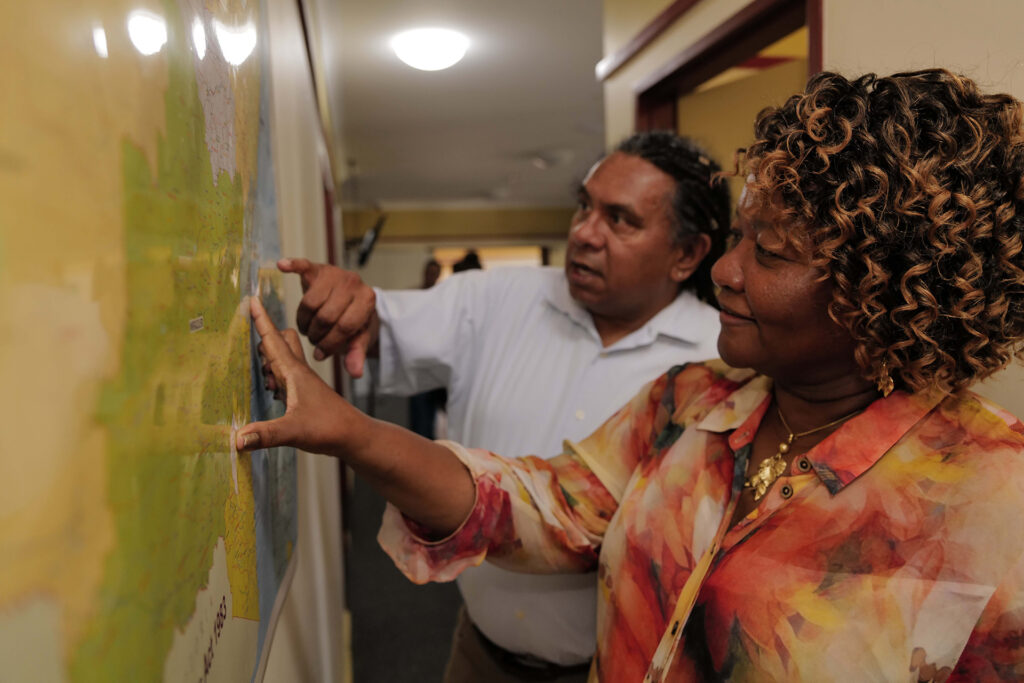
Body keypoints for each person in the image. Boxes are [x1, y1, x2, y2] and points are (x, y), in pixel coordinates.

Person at [241, 68, 1024, 681]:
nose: (726, 270)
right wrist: (348, 432)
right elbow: (532, 505)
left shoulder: (997, 505)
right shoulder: (690, 400)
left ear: (885, 296)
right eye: (739, 236)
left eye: (771, 253)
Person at [273, 132, 731, 681]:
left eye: (620, 220)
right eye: (584, 206)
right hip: (480, 655)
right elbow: (376, 323)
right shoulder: (499, 298)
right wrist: (348, 303)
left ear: (687, 254)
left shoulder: (719, 364)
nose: (584, 233)